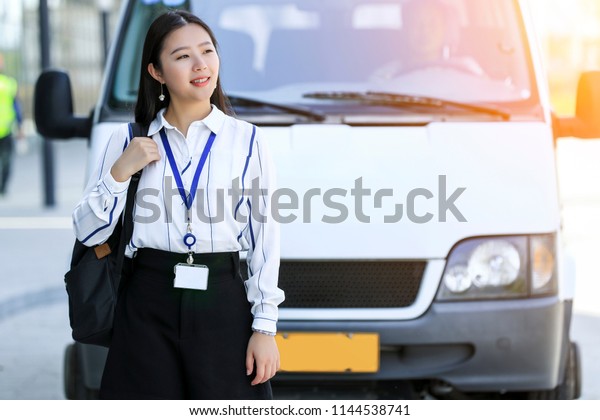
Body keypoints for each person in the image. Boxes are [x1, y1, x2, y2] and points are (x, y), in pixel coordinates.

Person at [72, 10, 284, 399]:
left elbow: (264, 240)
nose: (201, 64)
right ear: (156, 72)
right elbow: (88, 231)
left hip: (222, 301)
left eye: (207, 50)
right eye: (183, 56)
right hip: (145, 301)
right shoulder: (127, 139)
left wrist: (264, 327)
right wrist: (120, 173)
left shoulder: (247, 140)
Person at [371, 0, 484, 80]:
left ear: (445, 30)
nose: (424, 31)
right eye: (416, 23)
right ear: (405, 29)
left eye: (432, 23)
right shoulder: (385, 75)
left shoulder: (468, 68)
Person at [0, 53, 23, 196]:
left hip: (6, 129)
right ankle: (3, 187)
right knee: (7, 161)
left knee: (7, 161)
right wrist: (20, 126)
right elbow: (17, 107)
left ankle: (3, 187)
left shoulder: (10, 83)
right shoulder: (10, 83)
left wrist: (19, 126)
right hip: (7, 129)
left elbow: (15, 106)